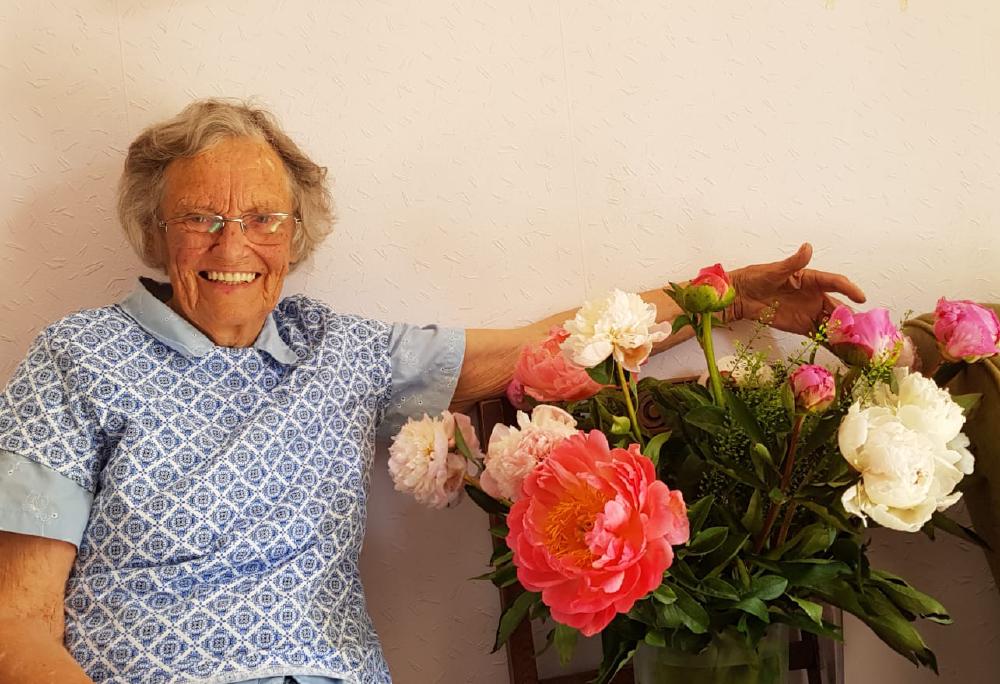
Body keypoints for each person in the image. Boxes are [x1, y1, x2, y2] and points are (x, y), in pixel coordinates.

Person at [0, 99, 865, 684]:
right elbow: (17, 621)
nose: (235, 245)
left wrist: (724, 300)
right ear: (157, 233)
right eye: (202, 218)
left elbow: (554, 344)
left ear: (296, 237)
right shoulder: (79, 358)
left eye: (264, 219)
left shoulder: (340, 350)